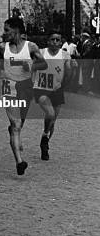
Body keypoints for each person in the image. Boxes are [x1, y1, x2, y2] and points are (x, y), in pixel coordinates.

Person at [0, 17, 47, 176]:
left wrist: (30, 65)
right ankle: (19, 162)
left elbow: (43, 64)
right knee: (16, 125)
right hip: (8, 87)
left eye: (7, 30)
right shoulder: (3, 48)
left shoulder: (31, 47)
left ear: (16, 30)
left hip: (25, 87)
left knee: (19, 122)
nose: (4, 33)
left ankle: (13, 130)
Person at [33, 29, 72, 160]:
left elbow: (68, 73)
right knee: (50, 114)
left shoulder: (65, 55)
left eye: (58, 40)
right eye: (52, 39)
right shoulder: (41, 53)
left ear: (61, 42)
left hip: (57, 89)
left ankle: (45, 144)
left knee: (53, 121)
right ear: (48, 41)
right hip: (41, 88)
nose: (55, 42)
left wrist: (63, 84)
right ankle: (45, 136)